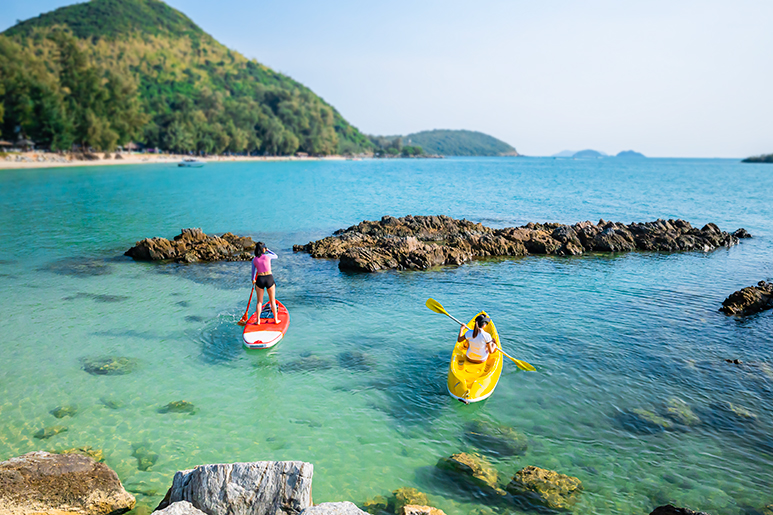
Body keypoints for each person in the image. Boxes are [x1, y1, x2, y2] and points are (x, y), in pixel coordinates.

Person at [251, 242, 279, 324]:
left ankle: (258, 320)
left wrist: (253, 280)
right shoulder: (268, 256)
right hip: (269, 278)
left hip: (260, 279)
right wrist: (268, 250)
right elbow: (276, 256)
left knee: (259, 302)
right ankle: (276, 320)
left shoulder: (254, 259)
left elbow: (253, 273)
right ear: (263, 249)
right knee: (272, 301)